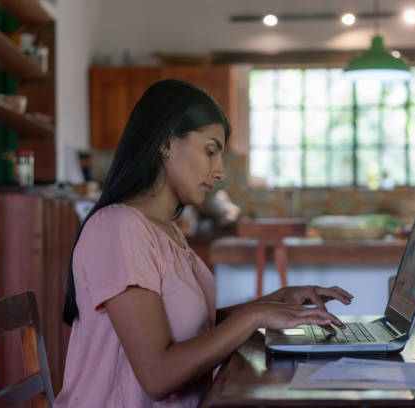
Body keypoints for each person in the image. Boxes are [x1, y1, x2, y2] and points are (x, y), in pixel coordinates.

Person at [54, 79, 353, 407]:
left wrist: (274, 303)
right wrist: (256, 317)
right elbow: (158, 376)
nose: (220, 171)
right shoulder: (118, 228)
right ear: (167, 143)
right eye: (210, 151)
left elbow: (194, 329)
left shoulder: (165, 231)